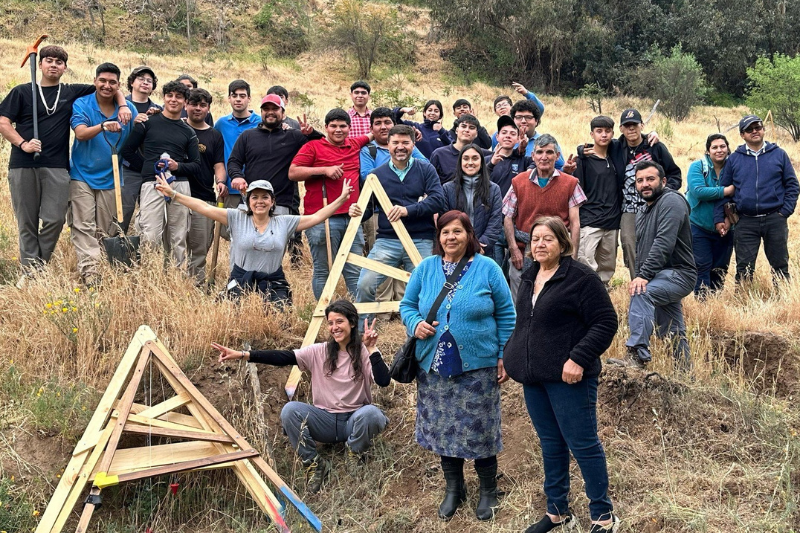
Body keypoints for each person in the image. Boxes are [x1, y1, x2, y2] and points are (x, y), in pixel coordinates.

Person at [502, 216, 620, 533]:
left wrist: (579, 358)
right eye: (536, 239)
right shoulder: (529, 276)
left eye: (548, 239)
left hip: (570, 378)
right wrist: (510, 354)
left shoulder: (580, 278)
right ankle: (557, 511)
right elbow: (525, 323)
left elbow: (606, 322)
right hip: (534, 377)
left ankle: (603, 516)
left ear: (563, 243)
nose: (540, 244)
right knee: (551, 443)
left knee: (582, 444)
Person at [399, 211, 516, 521]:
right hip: (434, 367)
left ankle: (488, 489)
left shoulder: (488, 268)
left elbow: (506, 314)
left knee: (481, 429)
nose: (451, 237)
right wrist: (415, 324)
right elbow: (407, 305)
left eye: (457, 231)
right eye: (445, 232)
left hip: (478, 367)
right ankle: (454, 488)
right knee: (443, 429)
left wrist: (504, 354)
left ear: (469, 234)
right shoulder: (425, 269)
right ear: (439, 238)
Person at [212, 300, 390, 493]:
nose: (334, 327)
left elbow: (383, 381)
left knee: (372, 413)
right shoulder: (319, 351)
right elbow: (284, 357)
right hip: (325, 422)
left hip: (354, 421)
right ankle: (314, 463)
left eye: (339, 322)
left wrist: (372, 349)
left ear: (352, 323)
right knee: (290, 410)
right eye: (330, 323)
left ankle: (354, 452)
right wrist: (243, 354)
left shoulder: (364, 352)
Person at [0, 45, 131, 274]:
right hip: (23, 164)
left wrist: (122, 105)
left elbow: (107, 87)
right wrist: (23, 144)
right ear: (40, 64)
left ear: (65, 68)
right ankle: (32, 270)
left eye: (58, 62)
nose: (53, 65)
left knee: (54, 220)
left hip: (57, 166)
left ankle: (39, 261)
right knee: (27, 221)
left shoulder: (71, 92)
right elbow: (3, 122)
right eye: (48, 60)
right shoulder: (21, 92)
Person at [154, 177, 355, 305]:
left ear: (272, 201)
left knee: (280, 319)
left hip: (273, 282)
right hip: (240, 280)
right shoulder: (236, 217)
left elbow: (316, 218)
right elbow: (203, 207)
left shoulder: (285, 222)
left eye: (265, 197)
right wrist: (174, 194)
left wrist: (342, 199)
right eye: (255, 197)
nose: (260, 201)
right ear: (248, 201)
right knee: (228, 317)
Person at [352, 124, 445, 324]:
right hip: (387, 240)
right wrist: (357, 212)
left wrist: (407, 210)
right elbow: (368, 208)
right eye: (395, 142)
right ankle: (362, 332)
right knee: (365, 284)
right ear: (388, 144)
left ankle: (424, 332)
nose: (400, 147)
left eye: (405, 142)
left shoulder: (425, 169)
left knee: (428, 287)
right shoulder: (377, 174)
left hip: (420, 239)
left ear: (413, 144)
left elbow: (438, 200)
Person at [610, 161, 696, 369]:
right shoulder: (643, 212)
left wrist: (643, 276)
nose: (645, 184)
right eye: (640, 181)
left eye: (650, 179)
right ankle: (684, 373)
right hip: (660, 276)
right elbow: (642, 252)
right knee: (673, 330)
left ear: (663, 181)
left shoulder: (672, 201)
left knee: (642, 292)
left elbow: (664, 243)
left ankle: (637, 354)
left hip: (679, 274)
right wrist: (641, 273)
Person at [227, 94, 322, 267]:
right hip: (252, 202)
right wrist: (237, 176)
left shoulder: (294, 136)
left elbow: (323, 145)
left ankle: (270, 284)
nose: (270, 113)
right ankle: (239, 281)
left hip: (281, 202)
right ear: (261, 112)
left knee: (273, 250)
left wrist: (311, 133)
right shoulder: (247, 136)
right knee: (244, 246)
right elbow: (234, 161)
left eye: (274, 109)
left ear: (282, 112)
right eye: (266, 109)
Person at [68, 62, 138, 286]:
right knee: (83, 225)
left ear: (119, 85)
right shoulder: (82, 103)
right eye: (103, 81)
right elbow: (80, 134)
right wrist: (104, 125)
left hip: (112, 177)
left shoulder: (129, 110)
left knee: (105, 228)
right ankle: (91, 274)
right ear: (95, 81)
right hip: (81, 175)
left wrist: (127, 106)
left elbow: (141, 131)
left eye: (112, 82)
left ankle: (97, 264)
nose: (107, 86)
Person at [289, 108, 371, 299]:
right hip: (322, 218)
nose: (338, 130)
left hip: (352, 217)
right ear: (326, 127)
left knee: (354, 270)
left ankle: (358, 317)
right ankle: (324, 314)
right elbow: (293, 172)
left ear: (349, 128)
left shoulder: (355, 144)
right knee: (324, 270)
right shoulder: (313, 147)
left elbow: (375, 133)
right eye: (333, 126)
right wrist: (324, 170)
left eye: (342, 126)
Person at [120, 80, 201, 266]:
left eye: (179, 96)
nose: (173, 100)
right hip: (152, 183)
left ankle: (176, 276)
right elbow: (127, 151)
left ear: (185, 102)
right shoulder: (147, 122)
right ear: (163, 98)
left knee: (178, 236)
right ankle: (149, 274)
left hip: (179, 184)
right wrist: (148, 167)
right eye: (169, 95)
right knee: (150, 233)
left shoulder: (188, 132)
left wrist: (176, 166)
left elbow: (196, 164)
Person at [714, 115, 798, 284]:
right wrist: (719, 218)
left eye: (757, 127)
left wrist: (785, 211)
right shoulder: (734, 159)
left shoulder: (779, 154)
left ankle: (783, 302)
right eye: (749, 129)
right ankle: (744, 303)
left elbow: (792, 185)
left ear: (763, 129)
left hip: (775, 218)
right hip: (745, 221)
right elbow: (724, 190)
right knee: (744, 268)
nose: (754, 131)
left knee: (780, 265)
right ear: (742, 135)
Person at [503, 134, 586, 300]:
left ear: (557, 156)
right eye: (539, 152)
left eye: (549, 152)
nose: (544, 157)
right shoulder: (518, 182)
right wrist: (513, 249)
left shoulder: (570, 183)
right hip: (523, 247)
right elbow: (507, 218)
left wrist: (573, 256)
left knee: (553, 295)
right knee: (519, 297)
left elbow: (575, 224)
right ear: (533, 156)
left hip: (557, 248)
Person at [612, 108, 681, 280]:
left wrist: (664, 194)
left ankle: (660, 284)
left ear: (642, 125)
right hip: (629, 207)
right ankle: (639, 282)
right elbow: (594, 145)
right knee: (629, 242)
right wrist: (582, 151)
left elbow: (674, 174)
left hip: (654, 204)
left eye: (634, 125)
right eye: (627, 126)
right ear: (621, 129)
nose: (631, 129)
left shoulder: (655, 146)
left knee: (656, 244)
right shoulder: (616, 147)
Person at [183, 88, 226, 284]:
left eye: (202, 105)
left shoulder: (214, 135)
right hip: (176, 195)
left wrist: (221, 181)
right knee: (174, 244)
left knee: (200, 245)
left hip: (204, 197)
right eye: (194, 104)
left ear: (208, 109)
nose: (198, 109)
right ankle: (174, 282)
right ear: (186, 105)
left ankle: (196, 283)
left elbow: (218, 164)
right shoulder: (177, 127)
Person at [573, 116, 622, 285]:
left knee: (607, 268)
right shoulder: (584, 159)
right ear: (591, 134)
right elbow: (577, 192)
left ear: (613, 134)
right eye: (599, 131)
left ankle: (603, 300)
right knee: (585, 264)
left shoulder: (616, 156)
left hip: (612, 222)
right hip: (590, 221)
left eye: (607, 131)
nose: (603, 135)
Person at [686, 134, 735, 297]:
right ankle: (702, 301)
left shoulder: (734, 167)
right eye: (714, 147)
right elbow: (698, 191)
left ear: (728, 148)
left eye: (722, 146)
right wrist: (725, 191)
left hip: (728, 227)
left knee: (720, 267)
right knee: (701, 265)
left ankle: (715, 301)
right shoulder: (698, 167)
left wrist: (728, 221)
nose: (719, 150)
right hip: (699, 225)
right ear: (708, 151)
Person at [120, 66, 161, 233]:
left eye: (149, 81)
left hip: (151, 170)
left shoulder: (158, 110)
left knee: (150, 216)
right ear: (132, 82)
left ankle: (145, 252)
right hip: (128, 168)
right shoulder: (121, 105)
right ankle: (114, 247)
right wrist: (132, 123)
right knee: (123, 211)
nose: (145, 82)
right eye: (141, 78)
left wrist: (158, 119)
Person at [487, 115, 531, 268]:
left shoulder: (524, 161)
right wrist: (491, 164)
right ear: (497, 137)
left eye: (513, 133)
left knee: (516, 271)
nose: (508, 136)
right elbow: (477, 182)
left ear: (518, 139)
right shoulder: (485, 159)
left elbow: (540, 166)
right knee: (496, 269)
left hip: (516, 225)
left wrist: (521, 152)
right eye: (504, 132)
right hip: (493, 223)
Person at [443, 144, 503, 255]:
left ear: (481, 163)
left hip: (484, 251)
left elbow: (495, 222)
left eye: (475, 158)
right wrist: (461, 244)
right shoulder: (447, 188)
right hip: (455, 249)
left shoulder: (493, 189)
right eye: (466, 158)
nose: (470, 162)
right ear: (460, 162)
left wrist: (479, 244)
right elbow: (445, 220)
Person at [214, 80, 262, 213]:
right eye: (234, 96)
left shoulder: (261, 123)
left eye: (242, 96)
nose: (238, 99)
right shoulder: (221, 124)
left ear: (249, 98)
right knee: (229, 231)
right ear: (229, 98)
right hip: (230, 187)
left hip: (256, 188)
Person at [430, 114, 491, 184]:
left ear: (476, 134)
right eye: (463, 126)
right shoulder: (439, 154)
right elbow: (431, 183)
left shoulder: (485, 155)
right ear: (456, 130)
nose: (467, 130)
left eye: (471, 127)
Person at [510, 100, 567, 170]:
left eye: (528, 117)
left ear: (536, 121)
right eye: (519, 117)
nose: (523, 121)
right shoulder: (506, 140)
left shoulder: (548, 142)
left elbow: (560, 169)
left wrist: (566, 170)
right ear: (513, 120)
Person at [490, 82, 545, 148]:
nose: (502, 107)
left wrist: (526, 93)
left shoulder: (544, 143)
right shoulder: (498, 136)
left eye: (504, 104)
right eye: (498, 106)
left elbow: (539, 109)